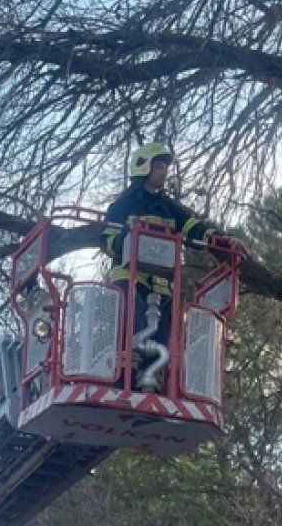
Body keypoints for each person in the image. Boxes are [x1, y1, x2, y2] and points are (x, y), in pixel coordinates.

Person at [99, 142, 225, 387]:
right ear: (143, 167)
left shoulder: (168, 208)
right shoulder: (122, 206)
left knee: (162, 332)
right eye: (158, 166)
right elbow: (108, 240)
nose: (163, 172)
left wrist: (217, 238)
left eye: (165, 167)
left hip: (162, 283)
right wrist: (127, 239)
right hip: (129, 277)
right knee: (130, 325)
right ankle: (125, 376)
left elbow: (193, 227)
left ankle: (151, 378)